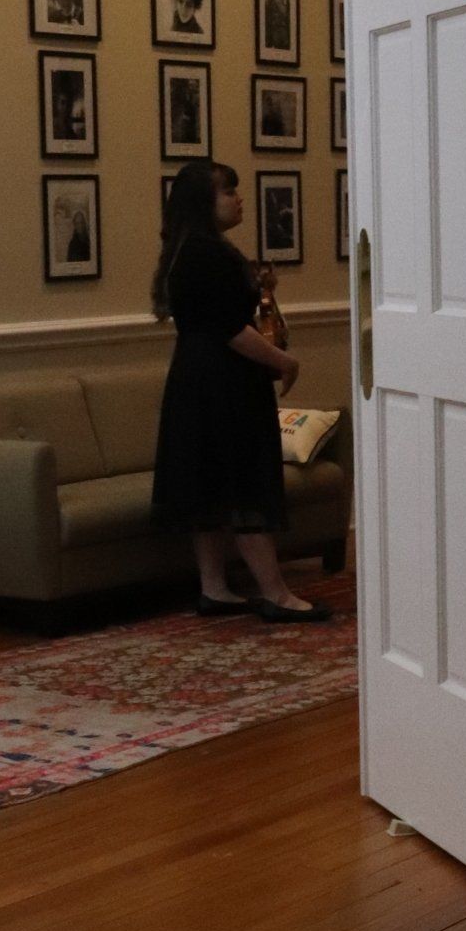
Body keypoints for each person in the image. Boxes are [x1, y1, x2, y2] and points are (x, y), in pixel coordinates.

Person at [150, 160, 332, 622]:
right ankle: (275, 592)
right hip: (221, 383)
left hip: (198, 378)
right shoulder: (207, 254)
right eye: (229, 191)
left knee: (210, 484)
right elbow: (230, 329)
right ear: (203, 203)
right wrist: (285, 362)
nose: (238, 198)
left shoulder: (186, 249)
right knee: (244, 482)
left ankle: (215, 587)